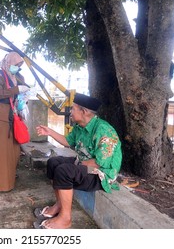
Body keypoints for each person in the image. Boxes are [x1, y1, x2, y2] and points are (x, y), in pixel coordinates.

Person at [34, 93, 122, 229]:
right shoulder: (80, 127)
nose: (70, 112)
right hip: (86, 165)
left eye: (73, 108)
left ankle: (65, 219)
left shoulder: (104, 131)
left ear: (84, 111)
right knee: (54, 162)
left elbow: (99, 163)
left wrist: (75, 165)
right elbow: (67, 141)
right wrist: (49, 132)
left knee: (64, 171)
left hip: (101, 174)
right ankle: (59, 205)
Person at [0, 52, 30, 193]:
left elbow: (24, 89)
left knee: (14, 152)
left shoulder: (17, 76)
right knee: (0, 152)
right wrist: (17, 89)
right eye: (15, 65)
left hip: (13, 116)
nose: (17, 67)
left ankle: (9, 178)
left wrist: (25, 97)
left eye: (19, 65)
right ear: (8, 62)